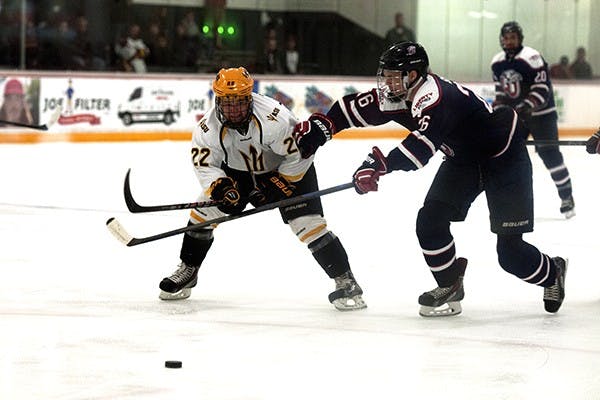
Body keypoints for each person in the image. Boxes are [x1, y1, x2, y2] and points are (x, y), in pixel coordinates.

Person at [292, 42, 567, 317]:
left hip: (504, 159)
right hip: (464, 161)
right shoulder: (398, 93)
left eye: (392, 75)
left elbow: (420, 150)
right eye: (385, 74)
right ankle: (449, 285)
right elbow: (351, 108)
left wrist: (381, 164)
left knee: (510, 254)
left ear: (412, 75)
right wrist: (324, 128)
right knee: (430, 221)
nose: (386, 82)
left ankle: (553, 272)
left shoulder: (434, 96)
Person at [158, 67, 366, 311]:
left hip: (288, 169)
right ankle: (189, 269)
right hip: (239, 172)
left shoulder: (275, 119)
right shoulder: (207, 128)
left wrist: (281, 182)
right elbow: (205, 165)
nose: (233, 110)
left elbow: (300, 153)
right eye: (227, 103)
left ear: (249, 98)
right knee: (204, 214)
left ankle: (346, 281)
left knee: (308, 226)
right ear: (217, 100)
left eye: (239, 103)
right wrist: (221, 187)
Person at [491, 21, 575, 218]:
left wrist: (526, 105)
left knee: (550, 156)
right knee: (509, 156)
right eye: (506, 38)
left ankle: (566, 196)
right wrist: (498, 109)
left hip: (542, 115)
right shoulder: (497, 62)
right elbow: (501, 92)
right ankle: (511, 201)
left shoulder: (532, 57)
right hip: (518, 116)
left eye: (513, 37)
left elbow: (542, 88)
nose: (509, 41)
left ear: (520, 38)